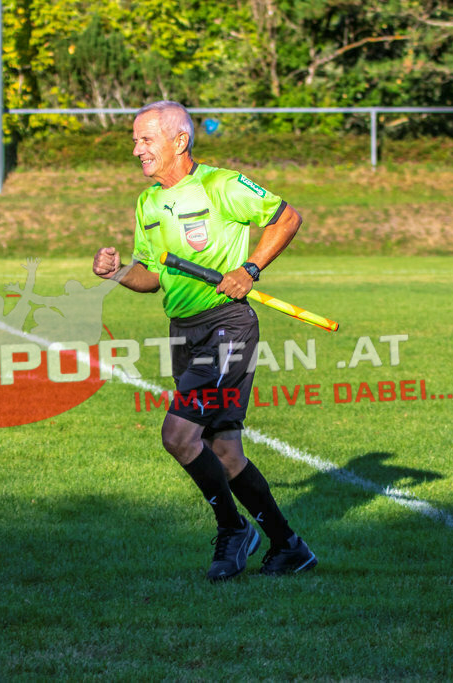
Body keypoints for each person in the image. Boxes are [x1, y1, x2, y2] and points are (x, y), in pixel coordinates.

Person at [92, 100, 317, 581]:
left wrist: (249, 269)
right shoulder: (148, 202)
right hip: (183, 330)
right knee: (226, 452)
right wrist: (117, 273)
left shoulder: (222, 184)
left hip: (227, 326)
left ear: (179, 140)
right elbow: (151, 276)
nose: (136, 150)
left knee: (177, 434)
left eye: (145, 139)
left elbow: (288, 217)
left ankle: (233, 529)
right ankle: (288, 546)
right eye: (134, 140)